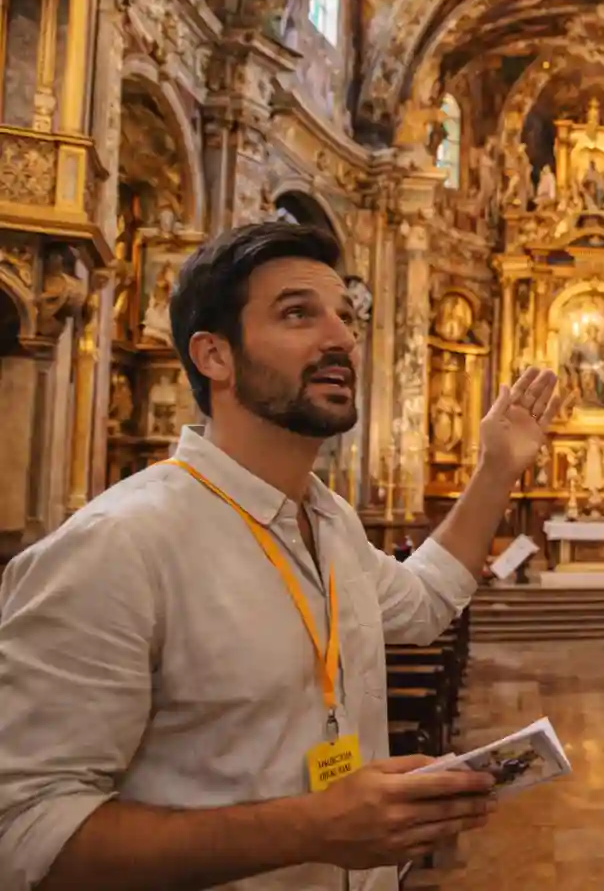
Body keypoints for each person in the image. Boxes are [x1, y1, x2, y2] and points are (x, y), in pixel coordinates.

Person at [0, 222, 571, 891]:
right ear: (214, 355)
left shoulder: (329, 523)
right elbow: (25, 834)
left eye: (346, 317)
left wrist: (497, 467)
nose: (341, 339)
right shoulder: (119, 545)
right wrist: (312, 828)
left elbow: (422, 605)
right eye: (298, 313)